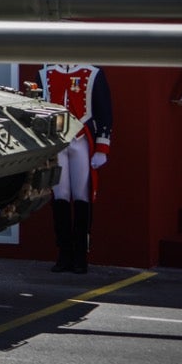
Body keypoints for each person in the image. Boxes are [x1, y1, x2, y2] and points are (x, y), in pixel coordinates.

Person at [40, 62, 113, 273]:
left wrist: (102, 148)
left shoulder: (93, 73)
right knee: (60, 194)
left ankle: (81, 255)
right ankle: (63, 253)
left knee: (82, 195)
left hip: (82, 140)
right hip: (55, 141)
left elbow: (104, 111)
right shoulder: (45, 73)